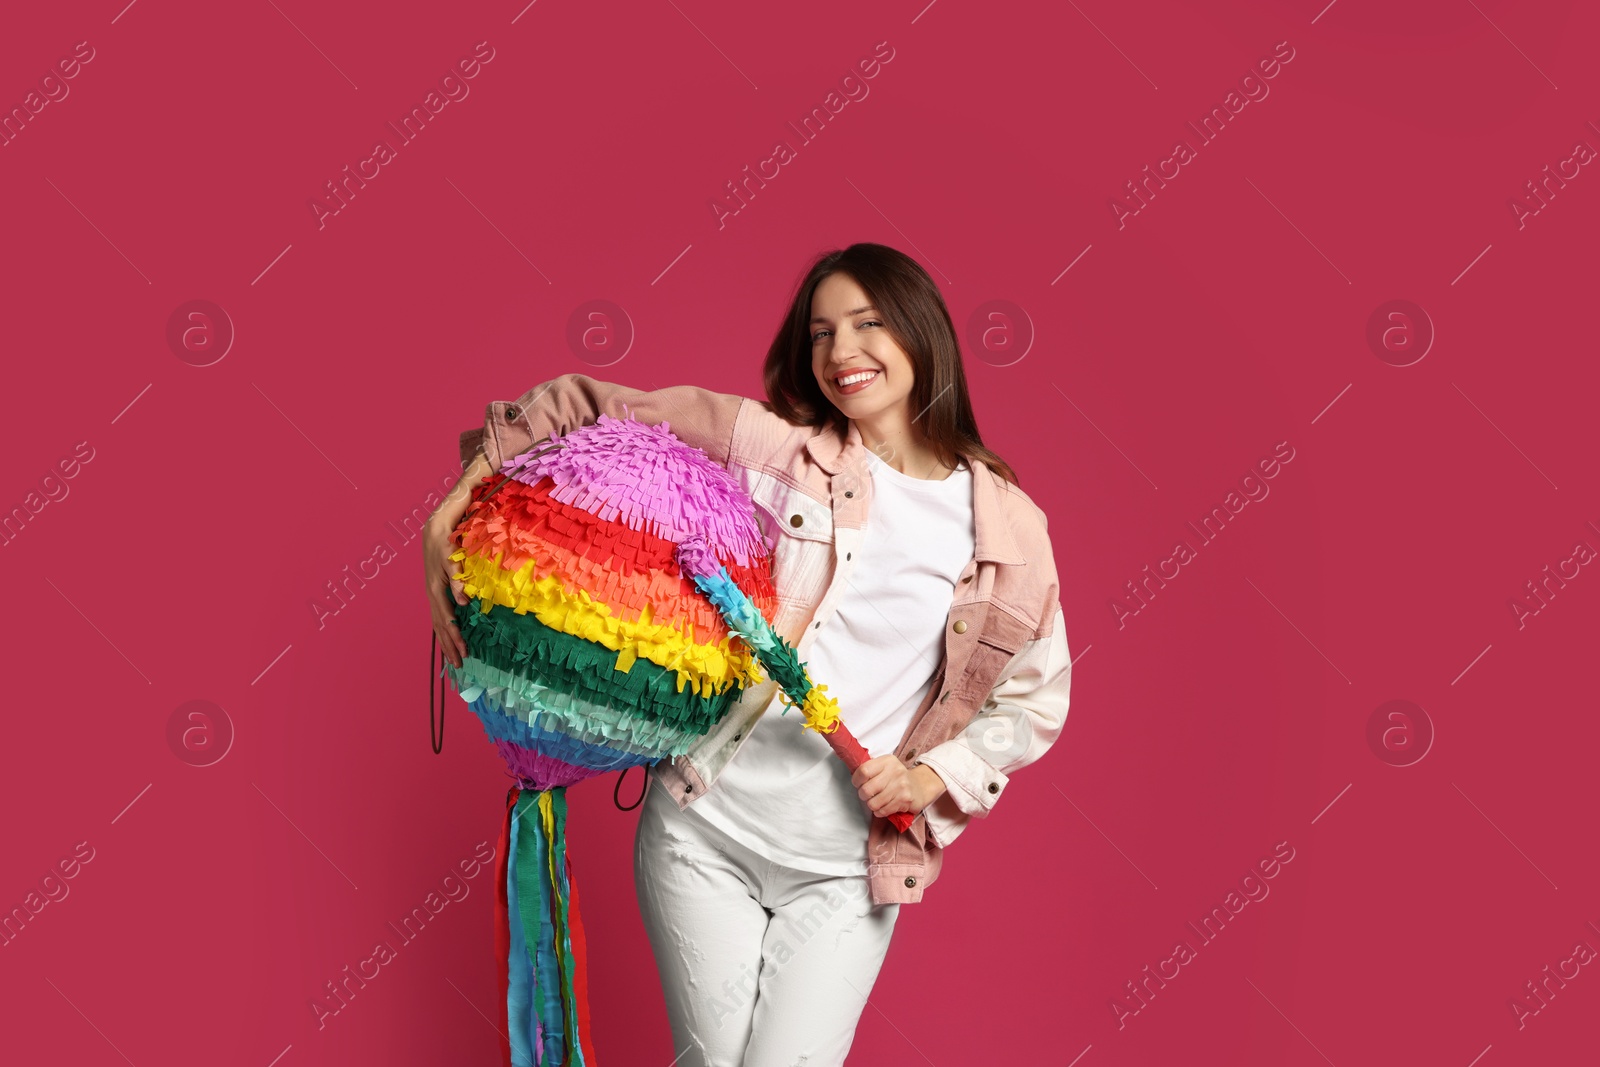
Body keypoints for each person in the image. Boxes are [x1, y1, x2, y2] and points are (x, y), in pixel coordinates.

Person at [424, 242, 1072, 1066]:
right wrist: (449, 509)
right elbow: (581, 403)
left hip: (842, 869)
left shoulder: (1008, 533)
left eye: (867, 324)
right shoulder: (774, 448)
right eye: (820, 333)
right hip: (704, 829)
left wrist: (928, 778)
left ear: (922, 331)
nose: (841, 353)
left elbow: (1035, 697)